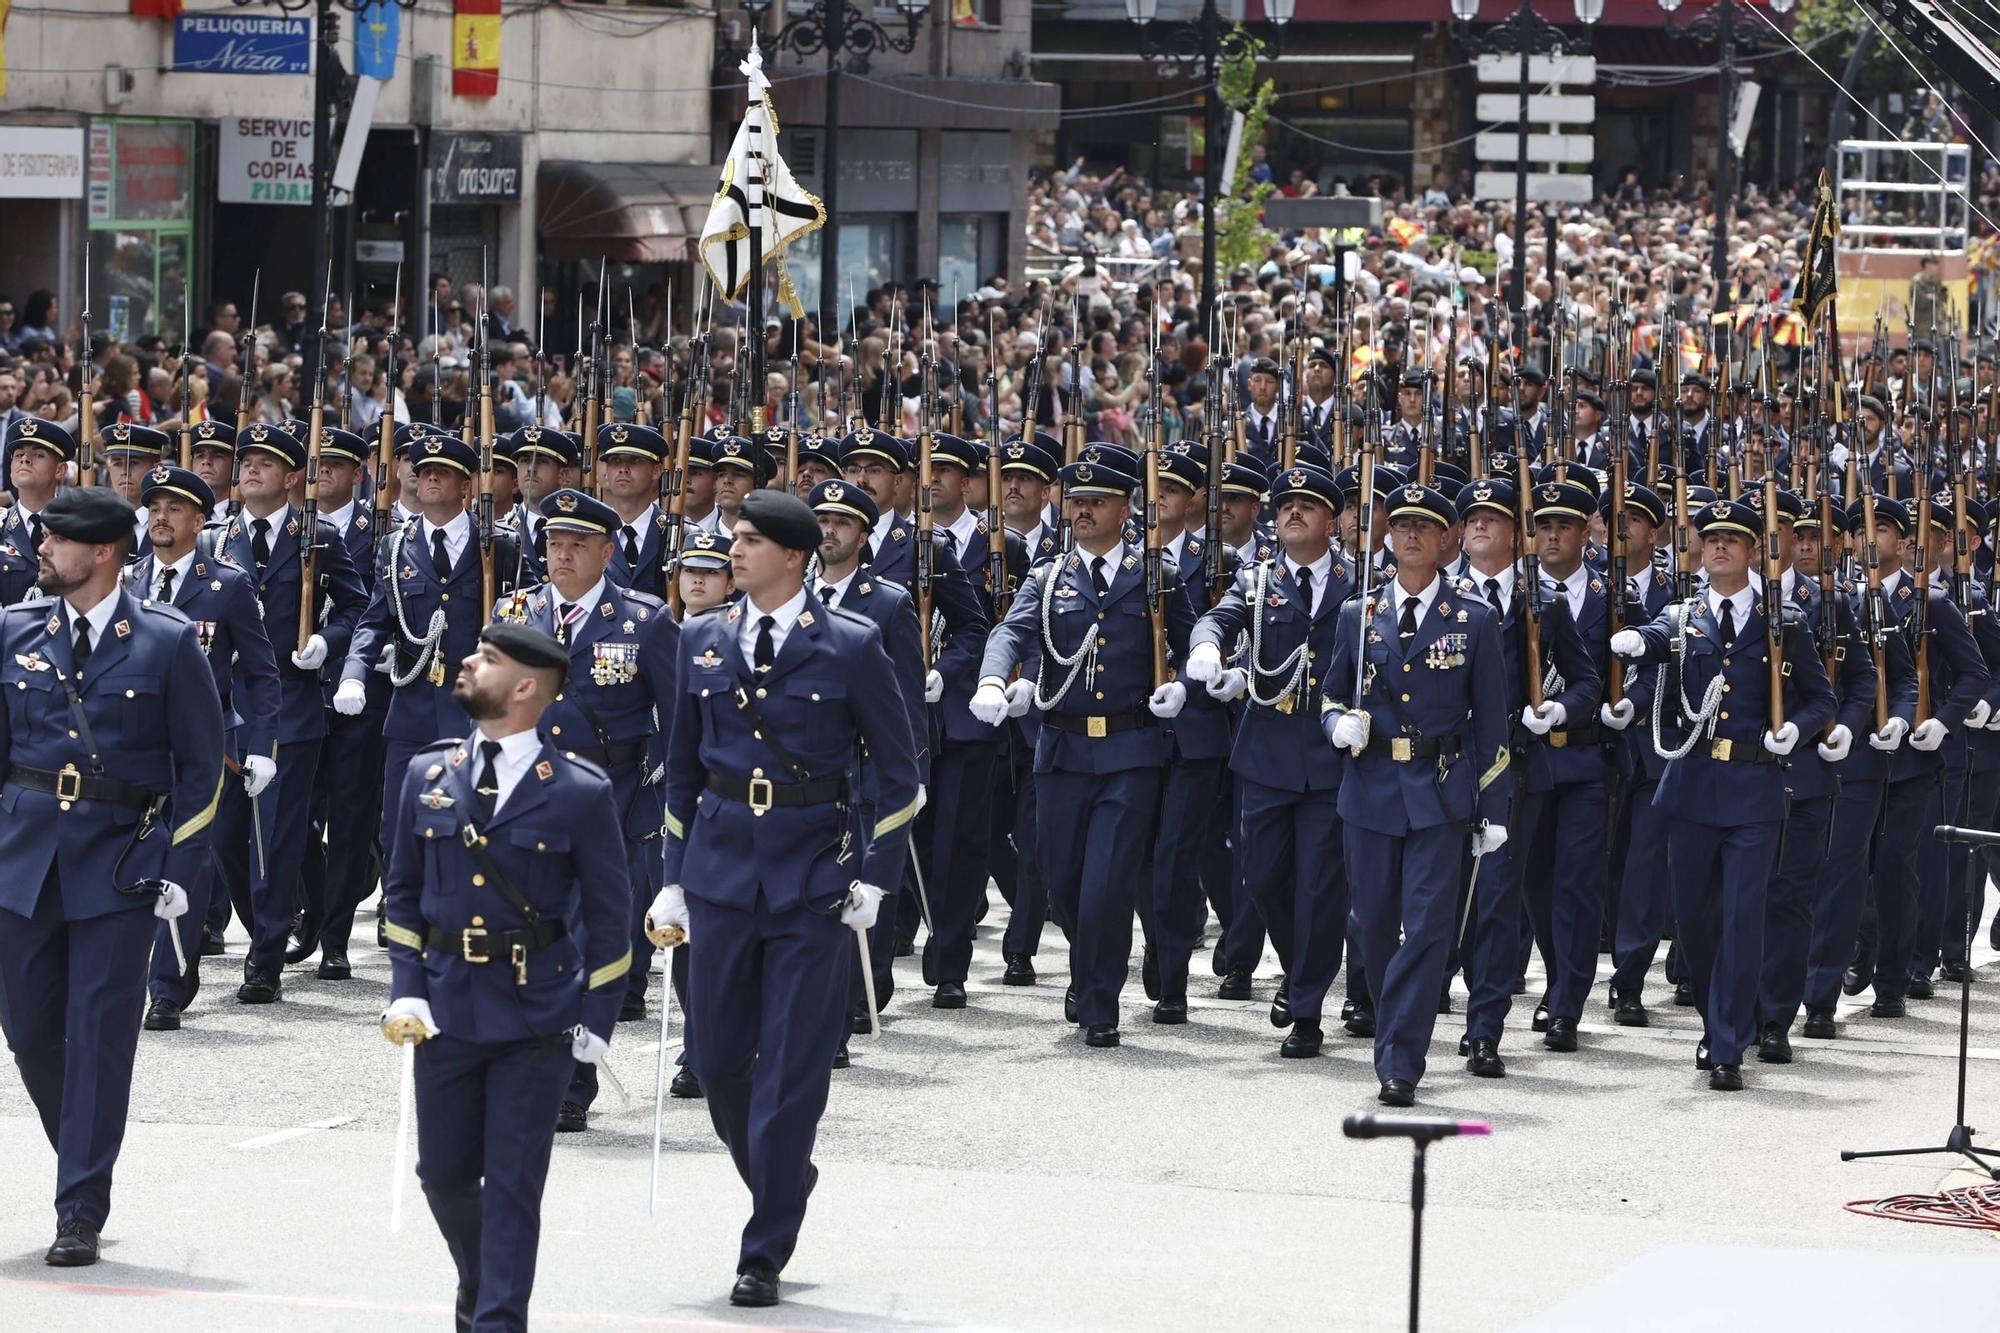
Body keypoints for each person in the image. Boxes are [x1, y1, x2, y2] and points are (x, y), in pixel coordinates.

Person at [652, 489, 919, 1308]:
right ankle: (784, 1174)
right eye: (732, 539)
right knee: (720, 1061)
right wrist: (670, 875)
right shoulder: (699, 639)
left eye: (749, 541)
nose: (731, 552)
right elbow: (683, 771)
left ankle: (762, 1246)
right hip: (721, 872)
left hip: (812, 877)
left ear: (795, 556)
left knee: (792, 1072)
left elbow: (900, 771)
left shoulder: (850, 643)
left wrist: (877, 874)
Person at [378, 623, 633, 1332]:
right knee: (445, 1176)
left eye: (487, 659)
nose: (466, 660)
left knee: (515, 1183)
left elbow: (612, 916)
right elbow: (401, 894)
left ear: (525, 688)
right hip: (447, 1006)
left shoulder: (579, 790)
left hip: (536, 1013)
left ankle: (497, 1318)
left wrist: (598, 1018)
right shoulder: (426, 775)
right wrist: (406, 984)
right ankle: (480, 1276)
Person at [0, 485, 224, 1265]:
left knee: (98, 1038)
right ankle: (82, 1152)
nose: (42, 550)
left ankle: (79, 1207)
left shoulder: (165, 641)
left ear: (100, 552)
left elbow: (202, 771)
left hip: (121, 865)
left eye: (57, 541)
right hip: (24, 860)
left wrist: (177, 868)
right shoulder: (14, 630)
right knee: (28, 1028)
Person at [1610, 496, 1838, 1091]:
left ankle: (1729, 1040)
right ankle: (1717, 1021)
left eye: (1732, 540)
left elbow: (1821, 698)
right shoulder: (1684, 617)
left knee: (1742, 918)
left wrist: (1799, 730)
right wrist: (1637, 641)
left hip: (1754, 790)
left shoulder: (1781, 623)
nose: (1718, 547)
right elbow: (1659, 638)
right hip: (1690, 789)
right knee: (1697, 923)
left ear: (1754, 552)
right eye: (1710, 540)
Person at [972, 453, 1195, 1048]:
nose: (1084, 510)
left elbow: (1194, 635)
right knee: (1063, 882)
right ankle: (1087, 964)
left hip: (1130, 751)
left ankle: (1101, 1002)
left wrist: (1187, 679)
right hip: (1063, 751)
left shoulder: (1154, 575)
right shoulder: (1048, 578)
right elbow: (1009, 633)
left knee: (1106, 884)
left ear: (1126, 509)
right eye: (1076, 501)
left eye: (1097, 501)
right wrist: (994, 679)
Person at [491, 487, 679, 1130]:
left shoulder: (644, 621)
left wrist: (668, 800)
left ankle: (572, 1080)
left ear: (608, 550)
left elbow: (678, 724)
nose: (562, 555)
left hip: (612, 798)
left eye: (576, 544)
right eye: (553, 543)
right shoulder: (516, 613)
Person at [1322, 480, 1509, 1106]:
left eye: (1425, 527)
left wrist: (1494, 809)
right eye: (1400, 524)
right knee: (1372, 925)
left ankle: (1402, 1059)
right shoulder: (1359, 613)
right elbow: (1329, 693)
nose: (1410, 534)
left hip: (1440, 792)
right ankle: (1390, 1018)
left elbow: (1491, 724)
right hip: (1371, 788)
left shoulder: (1475, 620)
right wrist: (1334, 723)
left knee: (1429, 929)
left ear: (1448, 540)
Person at [1187, 463, 1353, 1053]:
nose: (1293, 513)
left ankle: (1306, 1004)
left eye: (1307, 506)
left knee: (1319, 885)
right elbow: (1219, 617)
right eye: (1284, 506)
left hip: (1331, 754)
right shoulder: (1256, 581)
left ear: (1330, 521)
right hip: (1266, 752)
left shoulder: (1357, 584)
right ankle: (1306, 966)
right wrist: (1206, 643)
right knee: (1260, 876)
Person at [206, 422, 367, 1003]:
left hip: (290, 705)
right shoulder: (214, 540)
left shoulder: (317, 537)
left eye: (266, 463)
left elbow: (357, 606)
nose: (250, 469)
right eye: (245, 461)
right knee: (226, 839)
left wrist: (326, 642)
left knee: (275, 838)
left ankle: (265, 959)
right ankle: (267, 928)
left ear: (293, 476)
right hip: (225, 710)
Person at [126, 466, 280, 1030]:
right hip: (136, 750)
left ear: (200, 519)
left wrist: (261, 745)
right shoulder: (129, 581)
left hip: (204, 752)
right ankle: (140, 971)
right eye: (154, 506)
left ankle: (167, 987)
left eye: (174, 508)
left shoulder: (229, 584)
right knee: (134, 864)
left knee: (186, 864)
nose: (161, 517)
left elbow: (262, 673)